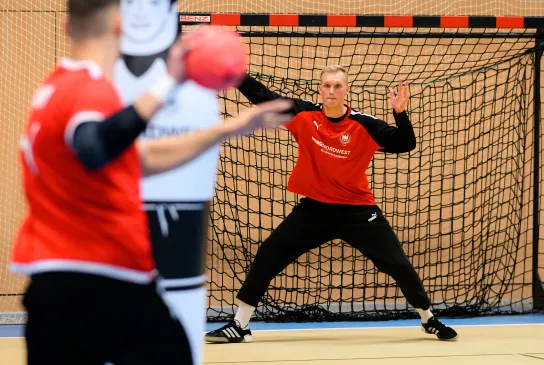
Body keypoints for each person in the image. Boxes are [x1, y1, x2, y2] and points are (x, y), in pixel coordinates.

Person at [9, 1, 293, 364]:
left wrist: (228, 129)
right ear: (119, 26)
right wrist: (168, 84)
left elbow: (136, 158)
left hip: (52, 283)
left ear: (66, 26)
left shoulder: (52, 89)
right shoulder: (88, 91)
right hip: (103, 281)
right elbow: (94, 147)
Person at [204, 65, 458, 343]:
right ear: (320, 89)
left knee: (398, 264)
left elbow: (405, 143)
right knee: (269, 254)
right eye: (327, 85)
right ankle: (240, 325)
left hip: (358, 212)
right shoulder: (303, 113)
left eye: (338, 86)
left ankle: (428, 319)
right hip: (314, 211)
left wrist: (400, 113)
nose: (332, 91)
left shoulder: (365, 124)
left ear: (346, 90)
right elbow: (263, 96)